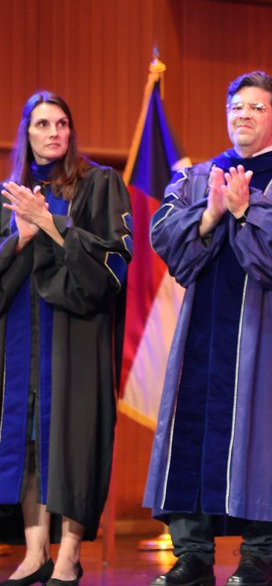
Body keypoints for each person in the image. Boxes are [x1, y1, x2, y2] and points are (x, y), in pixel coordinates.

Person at [144, 71, 272, 586]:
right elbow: (164, 237)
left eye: (255, 108)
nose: (243, 116)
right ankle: (192, 555)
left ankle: (257, 556)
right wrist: (208, 218)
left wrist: (249, 211)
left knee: (265, 436)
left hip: (267, 337)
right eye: (236, 108)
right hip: (200, 340)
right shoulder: (196, 178)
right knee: (189, 432)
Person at [0, 92, 132, 586]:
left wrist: (51, 224)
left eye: (62, 123)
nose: (54, 132)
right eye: (41, 124)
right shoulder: (8, 196)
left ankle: (70, 554)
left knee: (73, 440)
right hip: (19, 341)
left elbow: (115, 262)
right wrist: (20, 235)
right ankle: (35, 552)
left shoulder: (100, 185)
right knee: (30, 438)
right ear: (26, 133)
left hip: (77, 337)